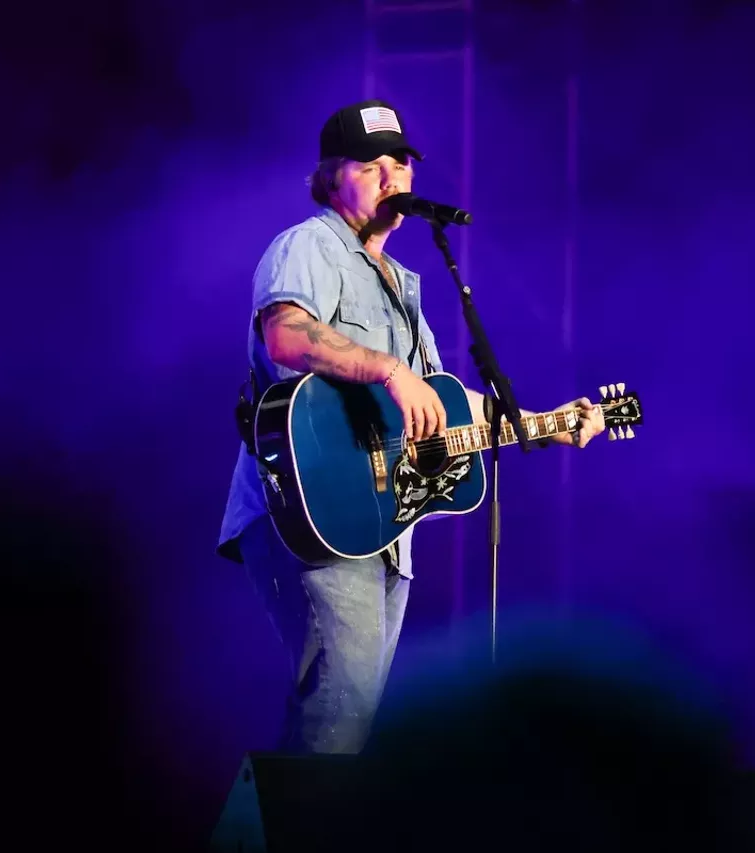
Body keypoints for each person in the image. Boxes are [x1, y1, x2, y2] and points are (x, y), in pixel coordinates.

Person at [217, 98, 606, 754]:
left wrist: (545, 424)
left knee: (349, 711)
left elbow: (448, 408)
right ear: (331, 177)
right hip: (307, 504)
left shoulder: (405, 285)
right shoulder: (310, 244)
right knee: (343, 702)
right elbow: (285, 335)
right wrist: (388, 371)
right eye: (371, 165)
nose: (393, 175)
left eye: (400, 162)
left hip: (377, 522)